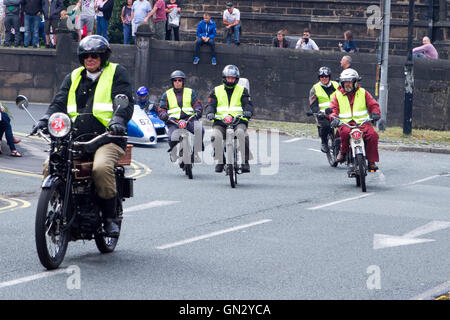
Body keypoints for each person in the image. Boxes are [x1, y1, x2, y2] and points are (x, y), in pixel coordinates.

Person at [31, 35, 134, 237]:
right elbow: (59, 102)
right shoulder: (74, 76)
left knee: (101, 168)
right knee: (49, 165)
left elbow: (124, 99)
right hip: (75, 138)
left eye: (95, 55)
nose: (90, 59)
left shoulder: (117, 72)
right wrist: (44, 119)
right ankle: (59, 205)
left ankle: (109, 217)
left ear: (103, 57)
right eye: (86, 56)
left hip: (108, 137)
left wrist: (118, 120)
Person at [329, 68, 381, 171]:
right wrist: (334, 118)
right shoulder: (337, 95)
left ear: (355, 82)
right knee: (344, 134)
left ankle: (371, 161)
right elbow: (332, 109)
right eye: (345, 82)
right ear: (342, 83)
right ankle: (343, 152)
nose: (347, 84)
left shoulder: (363, 92)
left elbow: (373, 104)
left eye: (350, 81)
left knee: (373, 135)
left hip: (363, 124)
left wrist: (375, 113)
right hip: (345, 123)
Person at [205, 65, 253, 173]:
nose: (230, 80)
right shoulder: (216, 90)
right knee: (214, 136)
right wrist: (210, 113)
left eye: (233, 78)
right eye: (228, 78)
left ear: (236, 79)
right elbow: (210, 105)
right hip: (220, 121)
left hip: (238, 120)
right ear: (224, 78)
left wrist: (248, 112)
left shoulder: (243, 91)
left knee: (242, 134)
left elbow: (248, 104)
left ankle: (245, 162)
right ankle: (220, 161)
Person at [157, 70, 204, 164]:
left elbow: (197, 104)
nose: (177, 82)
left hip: (189, 120)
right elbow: (161, 109)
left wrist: (198, 110)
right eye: (175, 80)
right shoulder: (167, 94)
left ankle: (195, 154)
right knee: (171, 137)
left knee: (200, 130)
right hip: (173, 122)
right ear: (172, 82)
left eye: (179, 80)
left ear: (183, 82)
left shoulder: (191, 92)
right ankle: (174, 152)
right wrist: (163, 115)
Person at [309, 66, 339, 153]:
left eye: (326, 76)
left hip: (336, 112)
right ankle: (324, 143)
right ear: (319, 78)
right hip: (323, 114)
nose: (324, 78)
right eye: (322, 77)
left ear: (329, 77)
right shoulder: (315, 88)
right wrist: (318, 112)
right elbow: (313, 104)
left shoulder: (336, 85)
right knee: (326, 126)